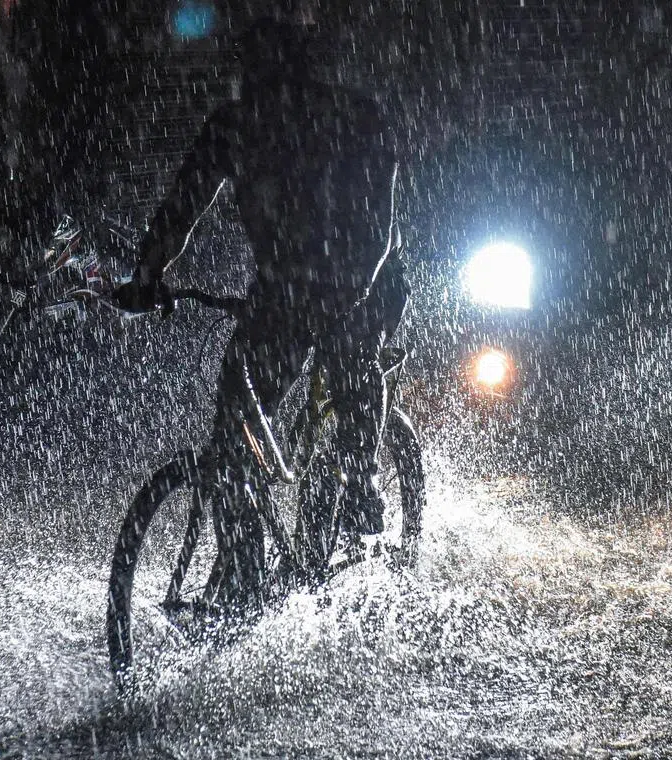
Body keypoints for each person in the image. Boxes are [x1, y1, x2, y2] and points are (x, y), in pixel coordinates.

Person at [113, 18, 405, 595]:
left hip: (363, 283)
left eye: (263, 74)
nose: (254, 88)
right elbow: (182, 206)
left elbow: (378, 232)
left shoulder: (354, 118)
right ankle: (244, 571)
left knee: (351, 371)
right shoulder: (235, 128)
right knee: (230, 434)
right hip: (283, 290)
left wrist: (344, 297)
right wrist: (147, 274)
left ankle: (362, 482)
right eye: (250, 75)